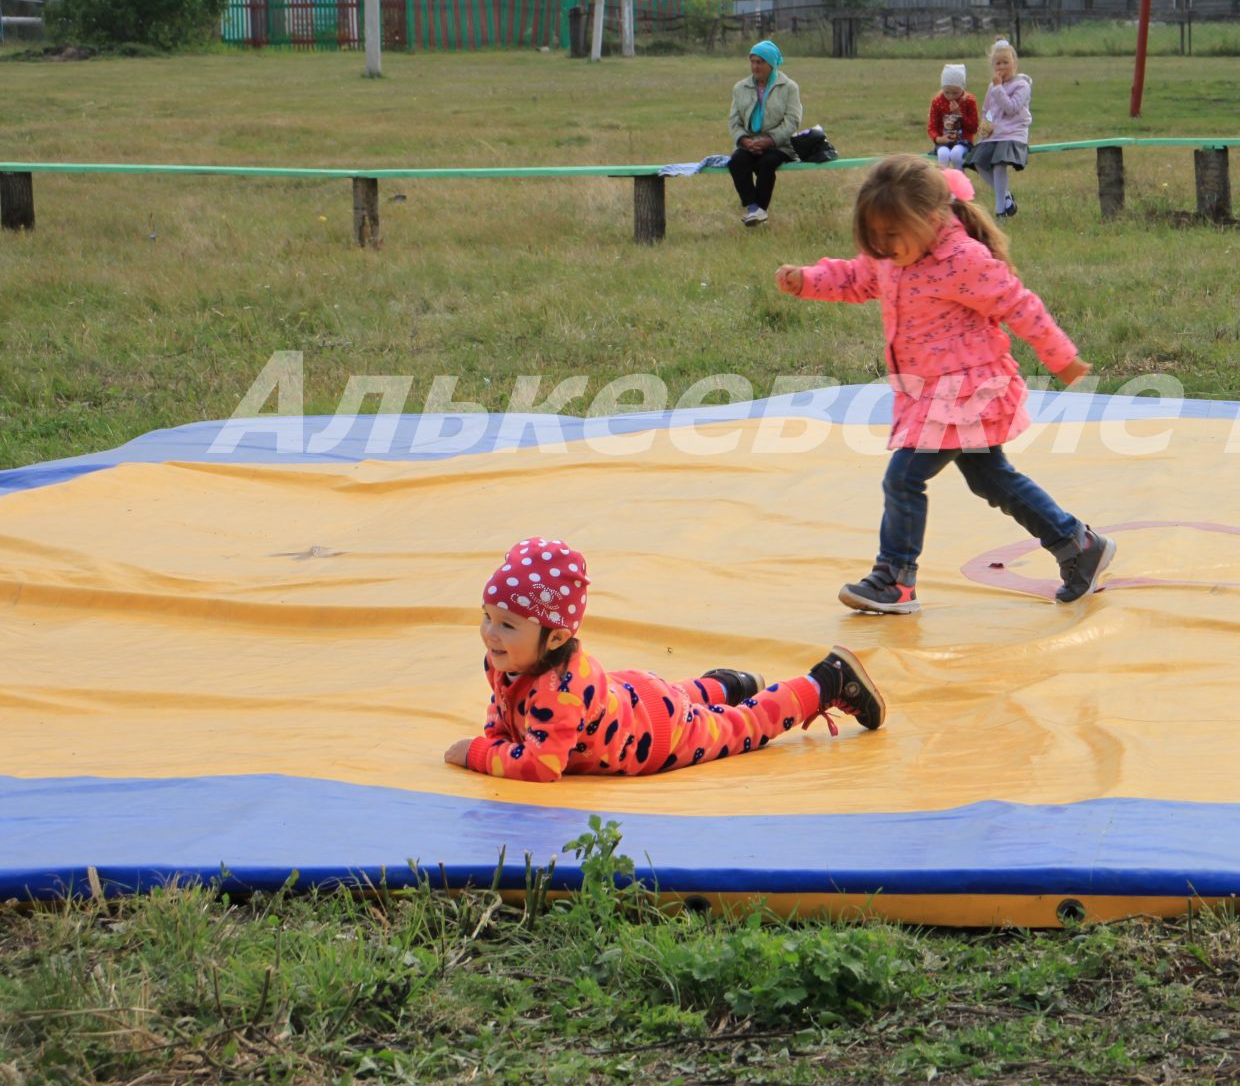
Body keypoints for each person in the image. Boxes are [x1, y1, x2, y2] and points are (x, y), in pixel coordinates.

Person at [776, 157, 1113, 615]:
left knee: (904, 477)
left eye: (891, 233)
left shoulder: (961, 260)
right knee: (990, 478)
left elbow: (1019, 305)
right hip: (928, 393)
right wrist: (807, 280)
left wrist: (1063, 358)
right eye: (874, 234)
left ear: (932, 219)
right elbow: (856, 277)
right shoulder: (891, 257)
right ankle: (1078, 543)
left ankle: (894, 578)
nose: (882, 244)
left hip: (964, 393)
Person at [445, 538, 884, 782]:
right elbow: (504, 712)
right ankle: (728, 685)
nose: (489, 633)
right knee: (679, 696)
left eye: (506, 625)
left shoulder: (559, 692)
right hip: (635, 694)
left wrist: (479, 754)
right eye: (488, 617)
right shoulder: (507, 659)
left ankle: (825, 681)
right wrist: (497, 737)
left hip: (660, 736)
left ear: (556, 636)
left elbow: (541, 766)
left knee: (742, 726)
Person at [727, 39, 802, 226]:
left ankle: (759, 210)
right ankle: (754, 208)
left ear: (771, 64)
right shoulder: (740, 88)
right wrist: (744, 141)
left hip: (780, 145)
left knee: (766, 163)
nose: (754, 66)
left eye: (759, 62)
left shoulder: (789, 87)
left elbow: (792, 121)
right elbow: (734, 121)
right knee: (737, 161)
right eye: (752, 61)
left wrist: (769, 141)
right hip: (750, 143)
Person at [969, 38, 1031, 217]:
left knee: (998, 164)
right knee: (978, 162)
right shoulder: (993, 86)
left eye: (1006, 62)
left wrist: (998, 89)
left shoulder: (1022, 85)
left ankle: (999, 211)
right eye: (998, 63)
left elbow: (1011, 108)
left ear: (1015, 63)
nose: (1002, 67)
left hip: (1013, 133)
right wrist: (985, 123)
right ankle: (1005, 196)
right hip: (994, 134)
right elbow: (988, 109)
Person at [928, 64, 980, 169]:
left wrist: (959, 114)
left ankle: (960, 180)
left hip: (963, 141)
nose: (951, 96)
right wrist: (938, 139)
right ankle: (944, 183)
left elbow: (974, 128)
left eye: (955, 93)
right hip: (944, 142)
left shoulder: (969, 101)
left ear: (962, 88)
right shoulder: (937, 102)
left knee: (956, 154)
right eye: (947, 92)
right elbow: (932, 127)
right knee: (943, 154)